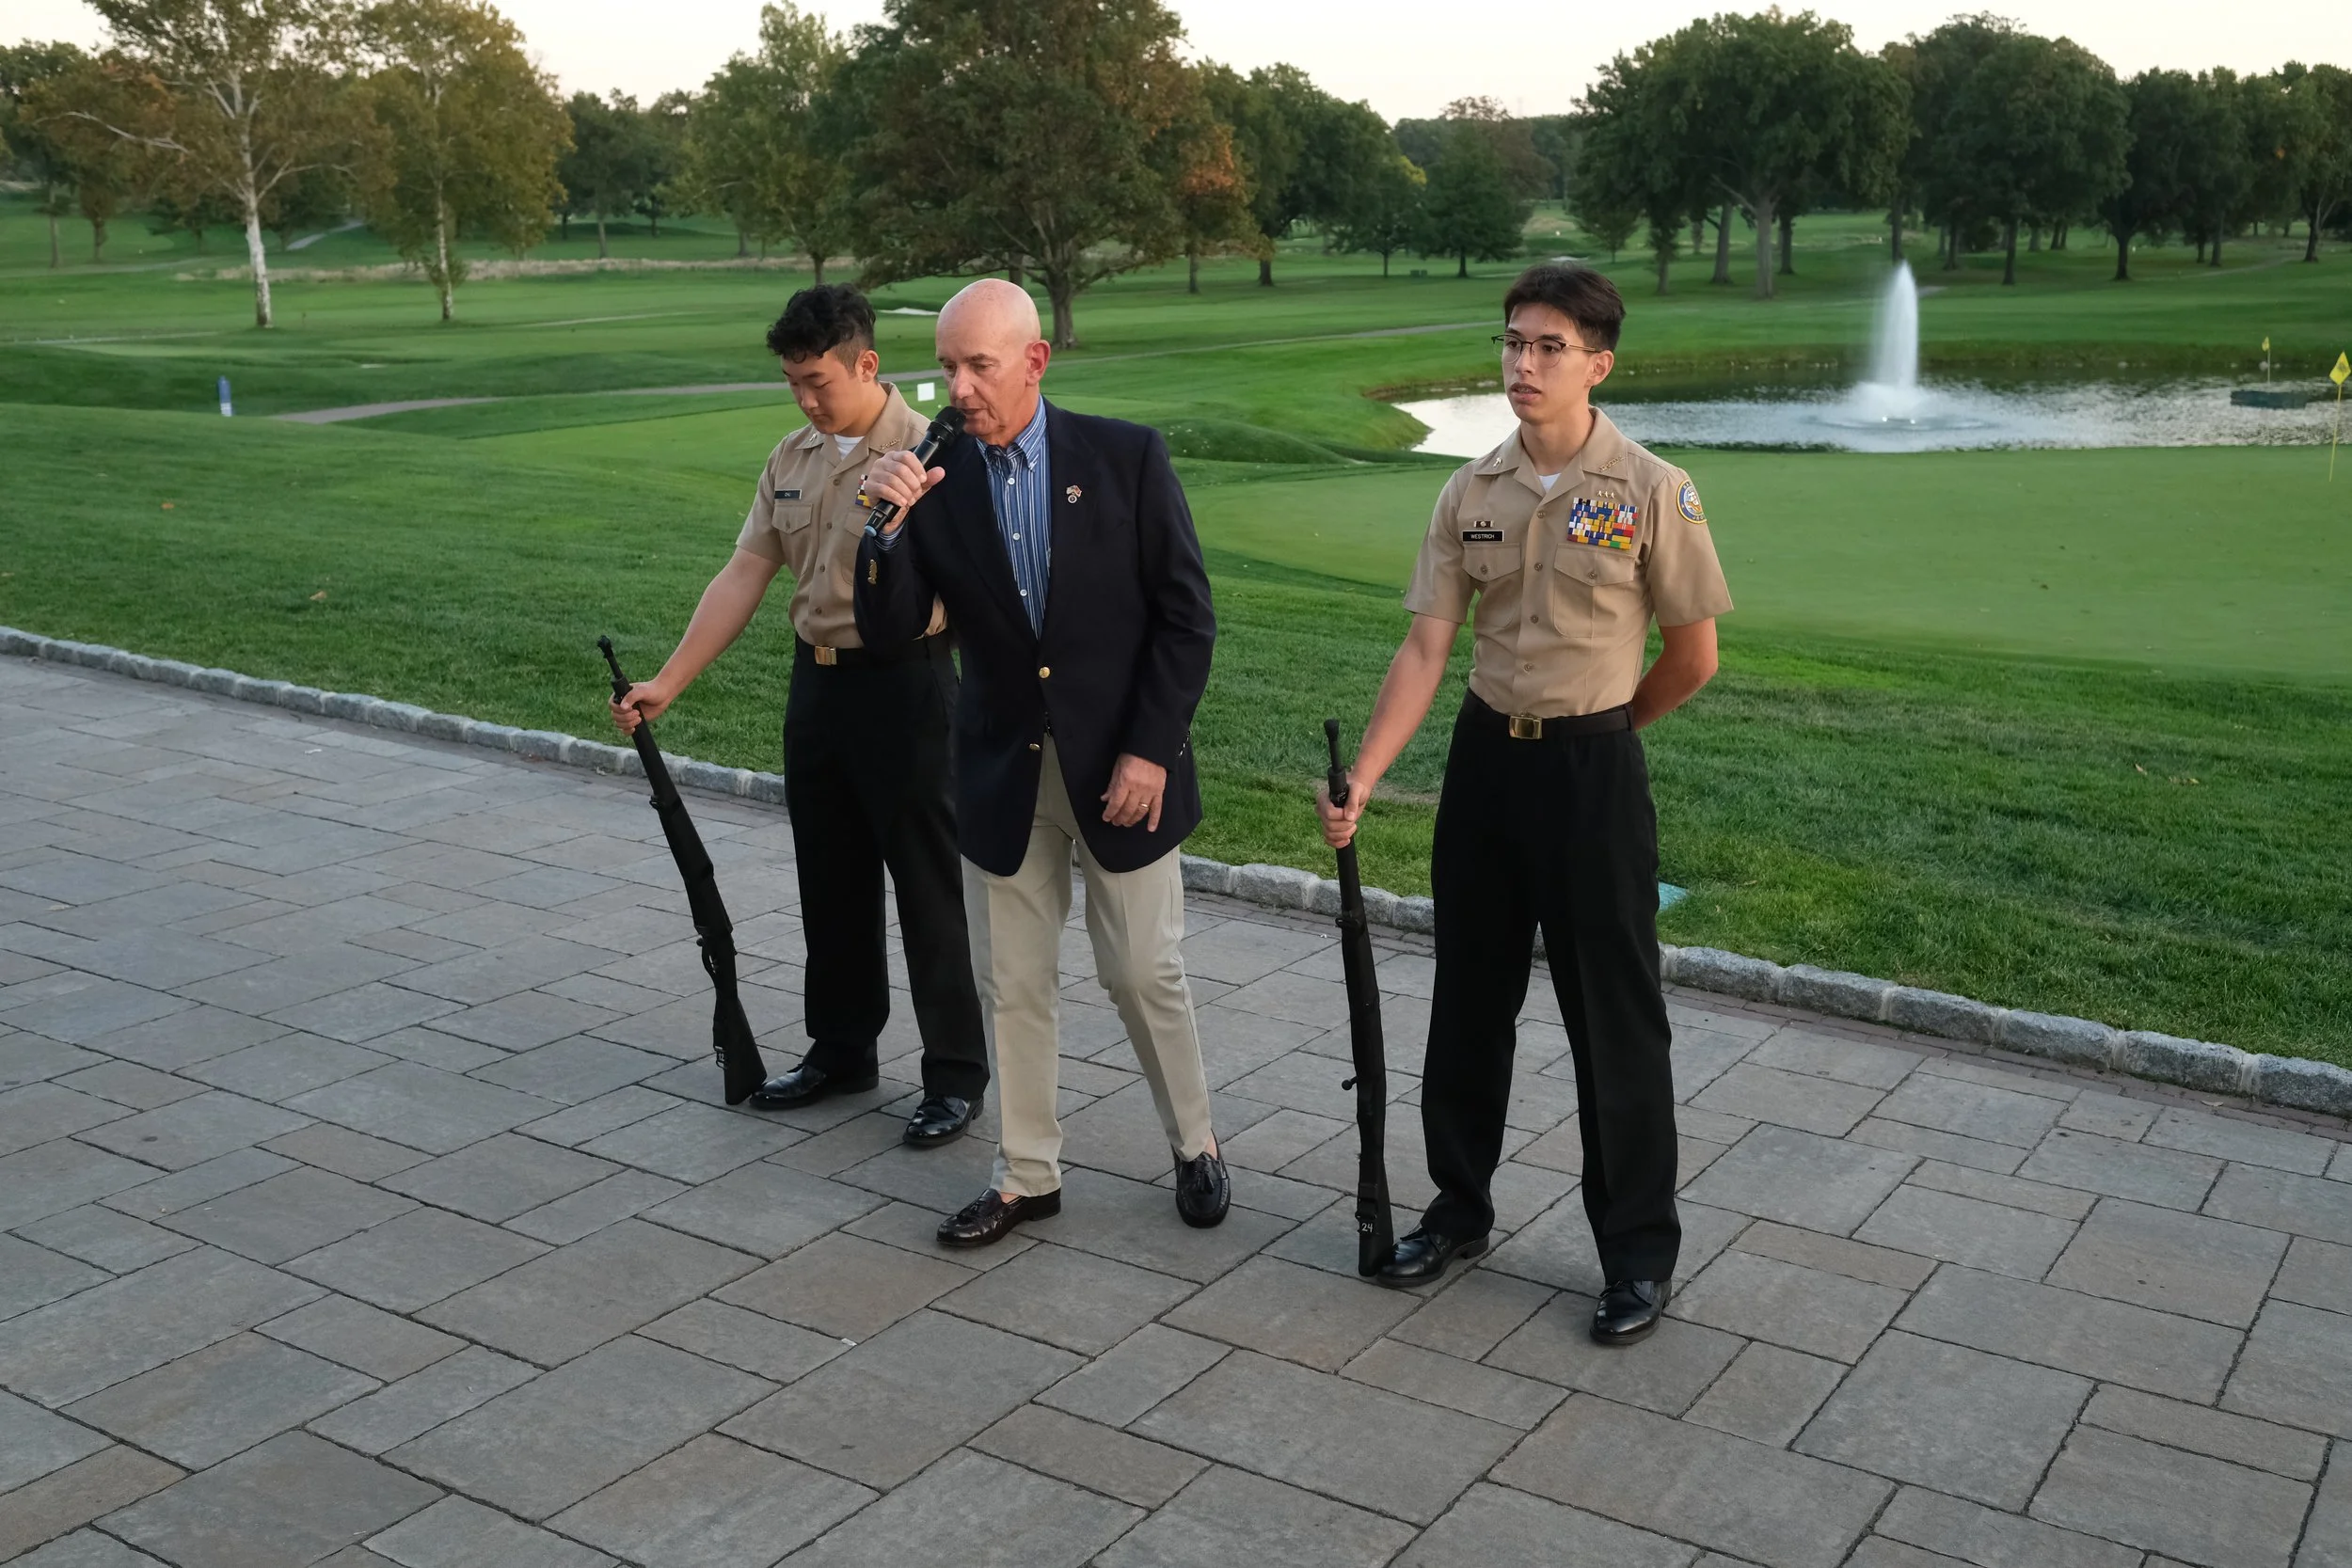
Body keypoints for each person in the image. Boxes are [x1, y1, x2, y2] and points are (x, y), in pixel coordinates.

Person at [1315, 262, 1730, 1345]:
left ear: (1598, 364)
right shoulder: (1470, 491)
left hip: (1592, 775)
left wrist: (1611, 732)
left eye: (1548, 346)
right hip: (1484, 766)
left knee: (1614, 1024)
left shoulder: (1651, 488)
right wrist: (1367, 773)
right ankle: (1456, 1210)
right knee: (1468, 1002)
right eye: (1512, 342)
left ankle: (1635, 1255)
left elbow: (1693, 655)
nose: (1523, 363)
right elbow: (1426, 646)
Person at [856, 278, 1230, 1248]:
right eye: (947, 366)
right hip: (1001, 770)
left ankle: (1194, 1142)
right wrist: (883, 534)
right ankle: (1026, 1173)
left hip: (1123, 768)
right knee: (1012, 981)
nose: (958, 388)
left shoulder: (1125, 457)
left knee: (1141, 969)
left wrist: (1150, 749)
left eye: (978, 366)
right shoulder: (934, 478)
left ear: (1035, 361)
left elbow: (1187, 620)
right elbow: (893, 631)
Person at [610, 284, 988, 1148]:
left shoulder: (932, 454)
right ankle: (843, 1050)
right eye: (792, 383)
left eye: (818, 381)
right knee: (830, 876)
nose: (806, 399)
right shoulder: (791, 456)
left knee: (929, 889)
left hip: (908, 687)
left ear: (867, 363)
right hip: (816, 689)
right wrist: (670, 680)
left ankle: (955, 1075)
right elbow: (746, 569)